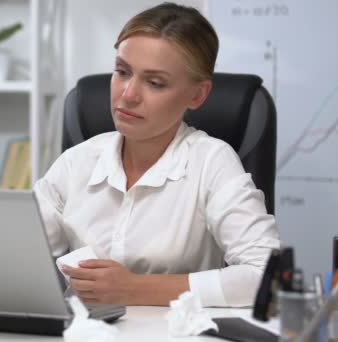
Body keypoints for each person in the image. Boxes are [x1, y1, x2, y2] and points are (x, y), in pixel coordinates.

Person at [34, 2, 280, 307]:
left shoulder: (211, 162)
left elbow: (266, 276)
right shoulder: (77, 162)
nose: (128, 95)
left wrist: (134, 289)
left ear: (198, 95)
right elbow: (15, 254)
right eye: (122, 72)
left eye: (154, 82)